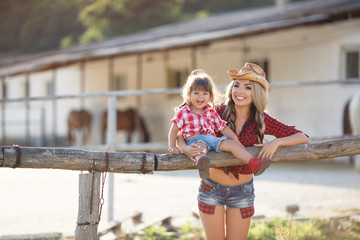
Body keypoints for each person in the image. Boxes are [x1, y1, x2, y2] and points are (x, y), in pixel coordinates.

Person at [177, 63, 309, 240]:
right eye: (236, 85)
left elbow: (303, 137)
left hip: (242, 191)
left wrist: (276, 143)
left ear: (256, 93)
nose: (240, 91)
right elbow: (180, 130)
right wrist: (185, 148)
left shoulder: (262, 119)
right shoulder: (215, 112)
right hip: (211, 187)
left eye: (248, 87)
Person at [168, 69, 271, 179]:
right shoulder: (183, 112)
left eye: (205, 93)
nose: (200, 97)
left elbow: (223, 128)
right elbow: (174, 130)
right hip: (195, 140)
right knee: (200, 149)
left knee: (231, 144)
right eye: (196, 93)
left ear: (210, 96)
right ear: (189, 94)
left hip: (212, 140)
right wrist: (172, 145)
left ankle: (254, 163)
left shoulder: (211, 111)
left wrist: (235, 140)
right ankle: (202, 166)